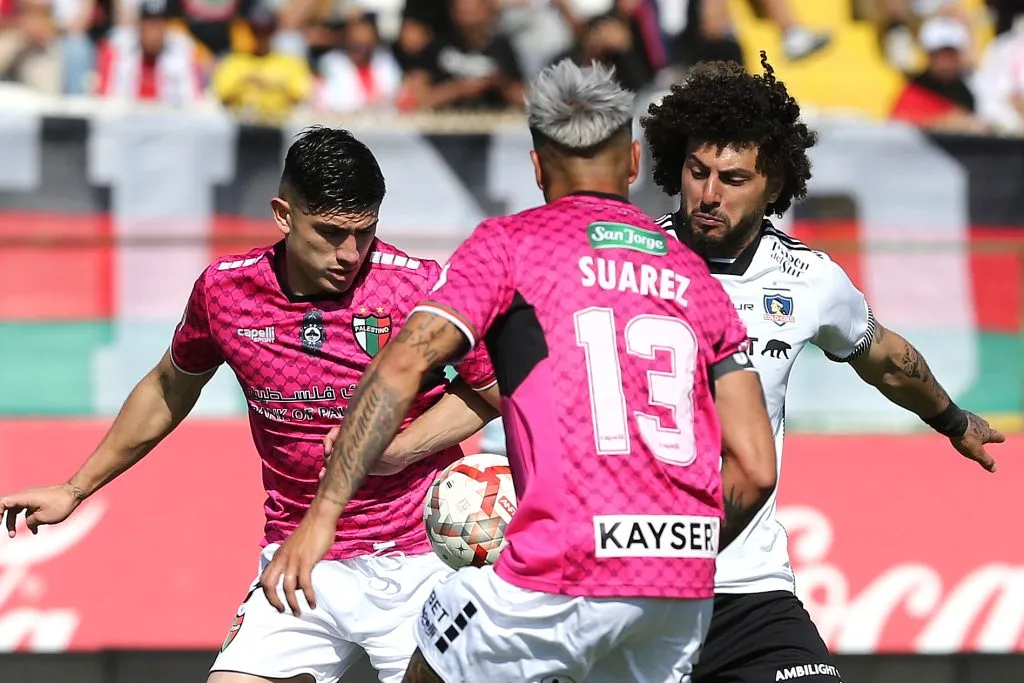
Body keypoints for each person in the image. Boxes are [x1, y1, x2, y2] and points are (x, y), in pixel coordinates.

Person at [260, 59, 779, 683]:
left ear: (537, 168)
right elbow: (754, 466)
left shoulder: (511, 246)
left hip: (564, 561)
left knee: (430, 662)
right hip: (680, 579)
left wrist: (321, 518)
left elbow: (400, 368)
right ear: (634, 163)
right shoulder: (694, 276)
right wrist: (667, 543)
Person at [0, 126, 501, 683]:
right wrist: (75, 488)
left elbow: (492, 392)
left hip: (420, 561)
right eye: (331, 233)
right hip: (299, 561)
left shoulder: (418, 288)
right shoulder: (225, 293)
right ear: (283, 215)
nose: (350, 254)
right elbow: (170, 386)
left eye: (365, 232)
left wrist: (400, 448)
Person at [639, 53, 1005, 683]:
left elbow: (886, 359)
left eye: (733, 177)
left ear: (774, 186)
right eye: (697, 172)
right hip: (634, 582)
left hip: (748, 587)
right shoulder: (630, 263)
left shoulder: (807, 279)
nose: (708, 193)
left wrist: (949, 418)